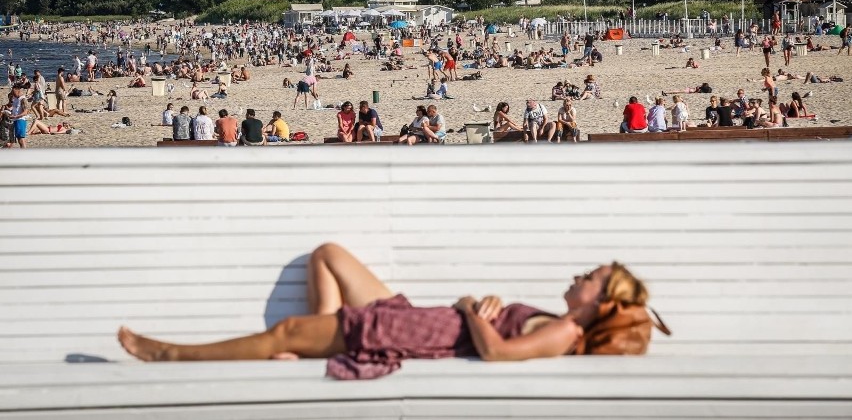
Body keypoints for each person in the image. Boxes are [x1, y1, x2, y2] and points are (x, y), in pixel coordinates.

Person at [117, 243, 667, 379]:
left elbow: (498, 352)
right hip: (419, 318)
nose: (579, 276)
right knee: (329, 254)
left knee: (285, 329)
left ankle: (171, 353)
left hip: (411, 331)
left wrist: (469, 308)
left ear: (602, 300)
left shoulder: (564, 332)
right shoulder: (559, 320)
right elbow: (502, 330)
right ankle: (318, 340)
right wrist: (488, 305)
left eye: (589, 278)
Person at [9, 84, 30, 148]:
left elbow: (25, 112)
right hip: (15, 120)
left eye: (13, 91)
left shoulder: (23, 99)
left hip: (20, 120)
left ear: (18, 90)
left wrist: (16, 116)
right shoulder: (15, 98)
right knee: (18, 139)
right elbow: (14, 108)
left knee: (21, 139)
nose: (12, 93)